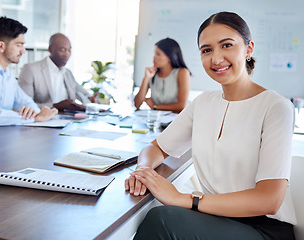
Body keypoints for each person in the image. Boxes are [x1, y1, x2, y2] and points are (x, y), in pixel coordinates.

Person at [125, 12, 296, 240]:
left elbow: (269, 200)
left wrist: (184, 199)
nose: (216, 59)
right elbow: (156, 147)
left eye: (226, 45)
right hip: (214, 218)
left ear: (248, 49)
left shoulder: (276, 107)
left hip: (263, 229)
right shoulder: (203, 103)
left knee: (162, 219)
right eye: (206, 50)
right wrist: (142, 170)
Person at [18, 33, 97, 112]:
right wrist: (55, 106)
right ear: (50, 49)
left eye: (69, 50)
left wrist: (89, 98)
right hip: (42, 119)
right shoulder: (30, 69)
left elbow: (78, 89)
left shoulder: (67, 73)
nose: (67, 54)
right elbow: (24, 105)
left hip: (68, 118)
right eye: (62, 50)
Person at [134, 38, 191, 113]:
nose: (153, 57)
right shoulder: (152, 74)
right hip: (156, 120)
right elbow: (137, 104)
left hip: (176, 121)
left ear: (170, 57)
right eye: (154, 53)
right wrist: (146, 78)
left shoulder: (182, 72)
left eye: (158, 54)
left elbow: (181, 106)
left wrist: (155, 106)